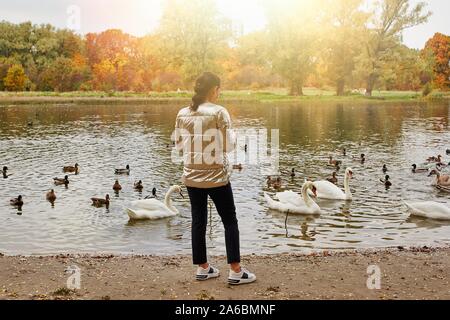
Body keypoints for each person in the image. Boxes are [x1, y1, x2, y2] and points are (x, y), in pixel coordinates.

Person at [174, 72, 256, 285]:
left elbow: (179, 146)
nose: (220, 93)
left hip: (191, 176)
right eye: (219, 89)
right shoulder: (220, 112)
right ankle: (236, 271)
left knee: (198, 221)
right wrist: (234, 136)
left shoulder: (182, 113)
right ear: (213, 90)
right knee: (230, 220)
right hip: (216, 177)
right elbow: (229, 145)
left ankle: (203, 269)